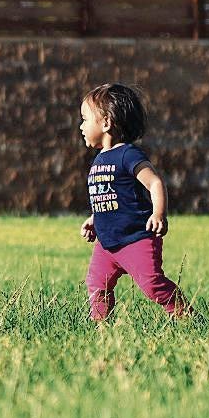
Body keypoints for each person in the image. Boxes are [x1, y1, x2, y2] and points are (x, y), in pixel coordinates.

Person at [78, 82, 191, 323]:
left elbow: (155, 183)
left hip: (135, 238)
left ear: (106, 122)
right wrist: (94, 219)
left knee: (152, 283)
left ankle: (187, 316)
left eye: (85, 119)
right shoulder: (99, 160)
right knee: (97, 284)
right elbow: (107, 196)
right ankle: (100, 327)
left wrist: (158, 214)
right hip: (107, 243)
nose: (81, 126)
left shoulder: (128, 155)